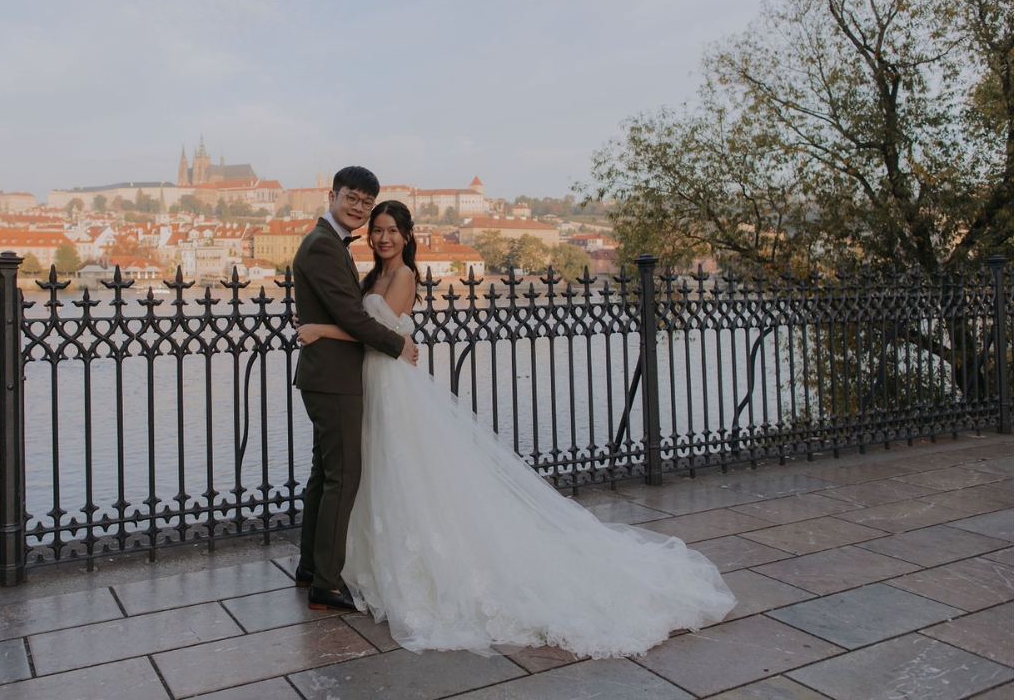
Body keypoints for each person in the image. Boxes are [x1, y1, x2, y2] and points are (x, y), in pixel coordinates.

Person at [295, 200, 736, 658]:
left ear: (407, 236)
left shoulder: (403, 276)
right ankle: (351, 563)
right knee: (374, 470)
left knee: (403, 471)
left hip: (390, 380)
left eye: (391, 230)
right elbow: (365, 323)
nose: (383, 237)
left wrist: (319, 330)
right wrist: (326, 326)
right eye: (378, 230)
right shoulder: (373, 274)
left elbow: (368, 328)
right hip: (373, 379)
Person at [291, 166, 419, 612]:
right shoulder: (323, 246)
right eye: (353, 198)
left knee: (325, 475)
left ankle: (311, 564)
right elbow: (351, 316)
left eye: (366, 203)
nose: (359, 208)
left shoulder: (326, 242)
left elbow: (345, 314)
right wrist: (397, 343)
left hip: (333, 375)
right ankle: (325, 583)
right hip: (336, 378)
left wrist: (318, 327)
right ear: (332, 195)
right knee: (342, 478)